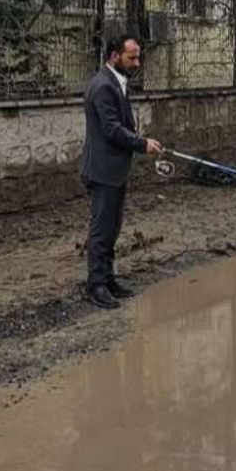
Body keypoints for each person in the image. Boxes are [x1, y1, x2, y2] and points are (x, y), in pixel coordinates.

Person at [80, 35, 163, 309]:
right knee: (101, 229)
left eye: (138, 57)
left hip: (114, 170)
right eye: (132, 57)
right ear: (115, 56)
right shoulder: (103, 86)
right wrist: (141, 144)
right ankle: (95, 286)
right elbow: (111, 129)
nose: (137, 63)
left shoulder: (116, 82)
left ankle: (107, 279)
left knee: (112, 227)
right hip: (102, 170)